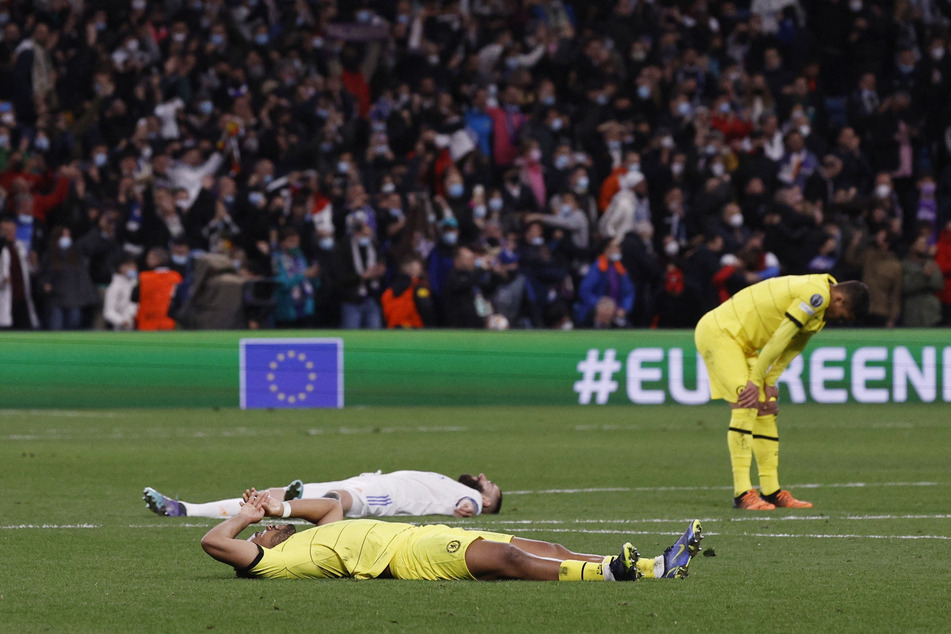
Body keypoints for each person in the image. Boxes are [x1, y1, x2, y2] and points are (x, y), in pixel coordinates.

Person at [200, 488, 703, 582]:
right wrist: (244, 516)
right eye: (266, 531)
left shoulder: (319, 530)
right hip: (409, 556)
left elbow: (329, 505)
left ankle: (653, 566)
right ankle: (610, 574)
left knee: (542, 548)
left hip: (422, 533)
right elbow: (213, 543)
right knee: (506, 558)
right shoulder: (276, 562)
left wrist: (277, 505)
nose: (272, 528)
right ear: (257, 549)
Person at [694, 275, 869, 510]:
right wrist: (757, 380)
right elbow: (780, 337)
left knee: (766, 408)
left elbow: (795, 345)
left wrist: (770, 380)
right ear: (839, 299)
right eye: (842, 316)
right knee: (746, 404)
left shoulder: (820, 308)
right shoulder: (814, 296)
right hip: (721, 333)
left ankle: (771, 490)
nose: (839, 320)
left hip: (743, 344)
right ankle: (743, 493)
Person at [144, 470, 502, 519]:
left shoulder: (466, 495)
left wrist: (470, 508)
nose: (484, 478)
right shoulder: (455, 481)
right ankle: (185, 509)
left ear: (487, 500)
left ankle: (293, 507)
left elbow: (466, 507)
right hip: (368, 480)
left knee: (337, 499)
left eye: (489, 486)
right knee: (269, 493)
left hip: (387, 496)